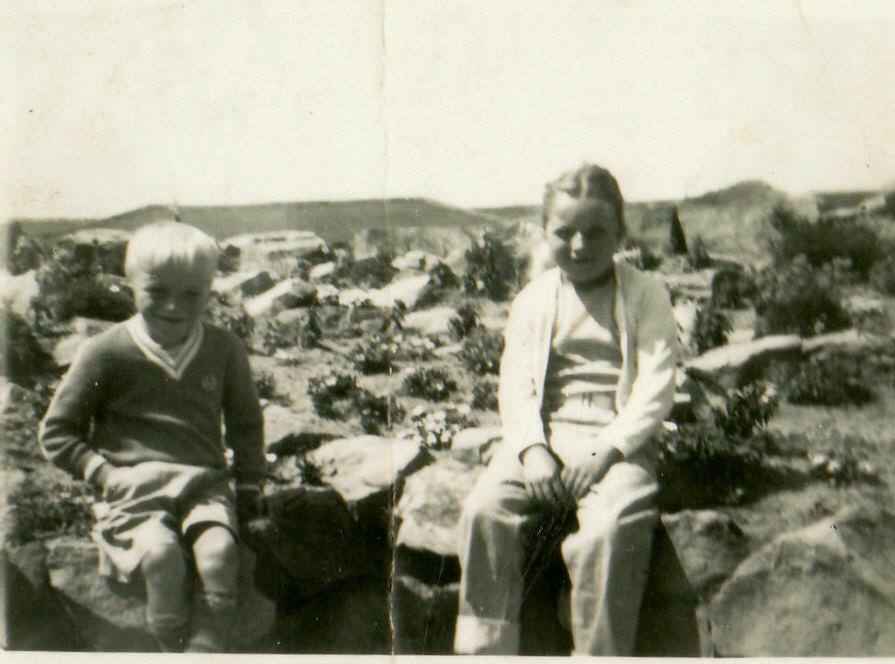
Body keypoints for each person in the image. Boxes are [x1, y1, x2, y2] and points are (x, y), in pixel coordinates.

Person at [454, 164, 678, 656]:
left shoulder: (646, 293)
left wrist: (608, 451)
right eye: (565, 232)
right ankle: (485, 649)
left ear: (620, 232)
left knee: (612, 528)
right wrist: (533, 451)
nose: (580, 245)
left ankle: (598, 653)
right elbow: (516, 386)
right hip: (545, 432)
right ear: (544, 231)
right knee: (484, 512)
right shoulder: (534, 299)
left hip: (617, 439)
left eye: (597, 232)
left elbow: (657, 383)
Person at [39, 220, 265, 653]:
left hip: (203, 483)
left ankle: (208, 644)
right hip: (134, 490)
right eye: (157, 291)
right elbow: (57, 431)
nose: (174, 307)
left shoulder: (223, 348)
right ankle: (170, 641)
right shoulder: (105, 351)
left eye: (192, 294)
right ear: (130, 284)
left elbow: (245, 420)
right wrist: (106, 476)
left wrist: (251, 480)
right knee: (161, 559)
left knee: (219, 555)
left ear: (210, 289)